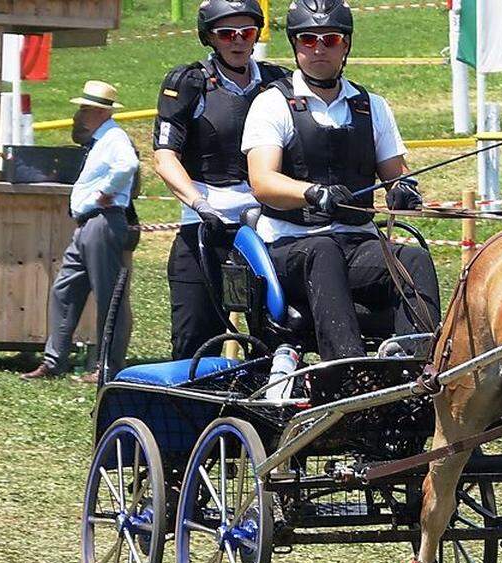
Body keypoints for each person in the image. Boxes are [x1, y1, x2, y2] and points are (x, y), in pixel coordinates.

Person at [242, 0, 439, 361]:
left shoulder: (371, 106)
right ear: (295, 44)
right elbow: (263, 182)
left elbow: (397, 175)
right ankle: (345, 368)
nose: (318, 48)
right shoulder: (272, 104)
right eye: (308, 39)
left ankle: (419, 362)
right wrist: (313, 193)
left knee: (413, 260)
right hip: (291, 246)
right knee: (323, 250)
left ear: (345, 45)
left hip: (357, 244)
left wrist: (404, 191)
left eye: (330, 40)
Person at [153, 0, 291, 360]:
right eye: (226, 33)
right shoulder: (189, 82)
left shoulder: (279, 83)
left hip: (265, 226)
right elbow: (165, 156)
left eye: (247, 32)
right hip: (206, 225)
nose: (238, 41)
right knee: (194, 340)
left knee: (277, 336)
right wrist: (199, 205)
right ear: (209, 37)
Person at [21, 81, 138, 381]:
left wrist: (106, 192)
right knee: (64, 289)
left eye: (85, 109)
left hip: (103, 220)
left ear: (100, 111)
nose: (79, 115)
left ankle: (107, 366)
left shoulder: (114, 138)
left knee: (109, 297)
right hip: (88, 224)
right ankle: (54, 360)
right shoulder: (103, 140)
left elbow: (128, 165)